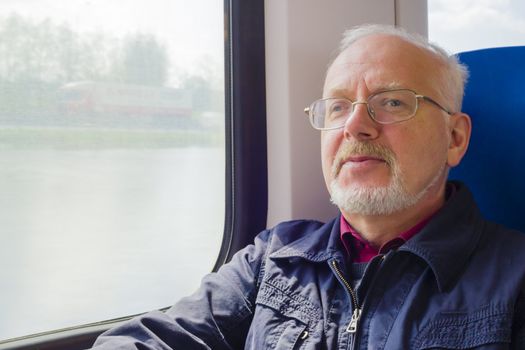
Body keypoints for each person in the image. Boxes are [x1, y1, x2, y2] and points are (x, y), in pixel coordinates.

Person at [91, 24, 525, 349]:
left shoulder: (514, 279)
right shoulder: (272, 258)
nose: (355, 125)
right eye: (338, 106)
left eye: (392, 102)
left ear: (455, 138)